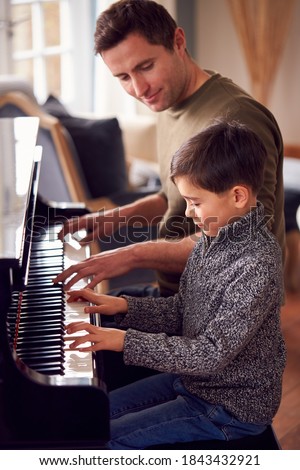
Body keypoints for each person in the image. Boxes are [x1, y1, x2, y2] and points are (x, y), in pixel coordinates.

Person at [64, 120, 286, 450]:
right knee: (88, 417)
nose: (187, 211)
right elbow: (182, 311)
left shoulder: (256, 264)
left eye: (195, 201)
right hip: (194, 382)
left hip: (226, 408)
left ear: (238, 196)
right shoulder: (214, 238)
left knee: (103, 444)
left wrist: (123, 341)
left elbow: (210, 354)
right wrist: (123, 307)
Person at [54, 0, 285, 299]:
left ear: (178, 41)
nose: (139, 89)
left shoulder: (237, 118)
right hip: (177, 296)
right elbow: (174, 196)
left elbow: (246, 240)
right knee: (76, 319)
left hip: (221, 312)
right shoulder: (168, 101)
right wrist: (112, 218)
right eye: (123, 77)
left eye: (145, 67)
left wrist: (132, 255)